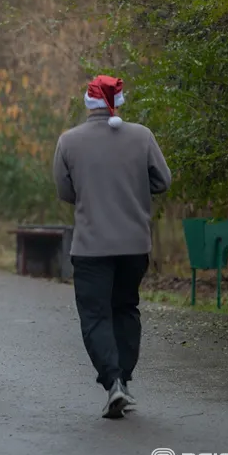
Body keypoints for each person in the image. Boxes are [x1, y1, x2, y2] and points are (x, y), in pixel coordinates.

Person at [53, 75, 172, 419]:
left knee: (95, 316)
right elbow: (162, 181)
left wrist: (90, 192)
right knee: (125, 308)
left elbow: (65, 191)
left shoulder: (69, 142)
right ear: (119, 102)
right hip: (135, 244)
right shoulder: (142, 136)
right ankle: (124, 378)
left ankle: (113, 382)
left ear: (87, 103)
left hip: (91, 245)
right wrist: (135, 188)